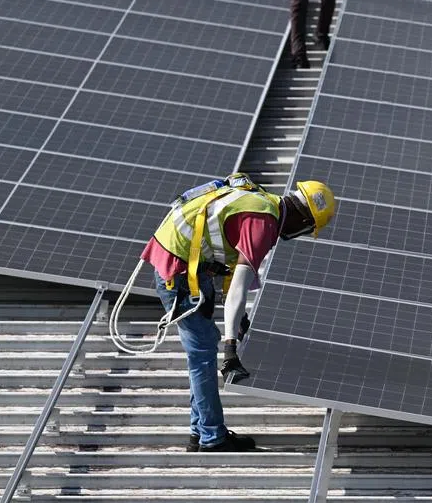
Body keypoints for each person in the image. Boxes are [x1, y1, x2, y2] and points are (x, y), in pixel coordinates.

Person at [141, 173, 336, 452]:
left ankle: (201, 429)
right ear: (303, 218)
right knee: (203, 351)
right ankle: (212, 436)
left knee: (203, 348)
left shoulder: (265, 204)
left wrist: (240, 319)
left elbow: (231, 268)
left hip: (191, 264)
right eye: (307, 228)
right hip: (179, 271)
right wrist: (230, 346)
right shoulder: (263, 224)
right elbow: (238, 287)